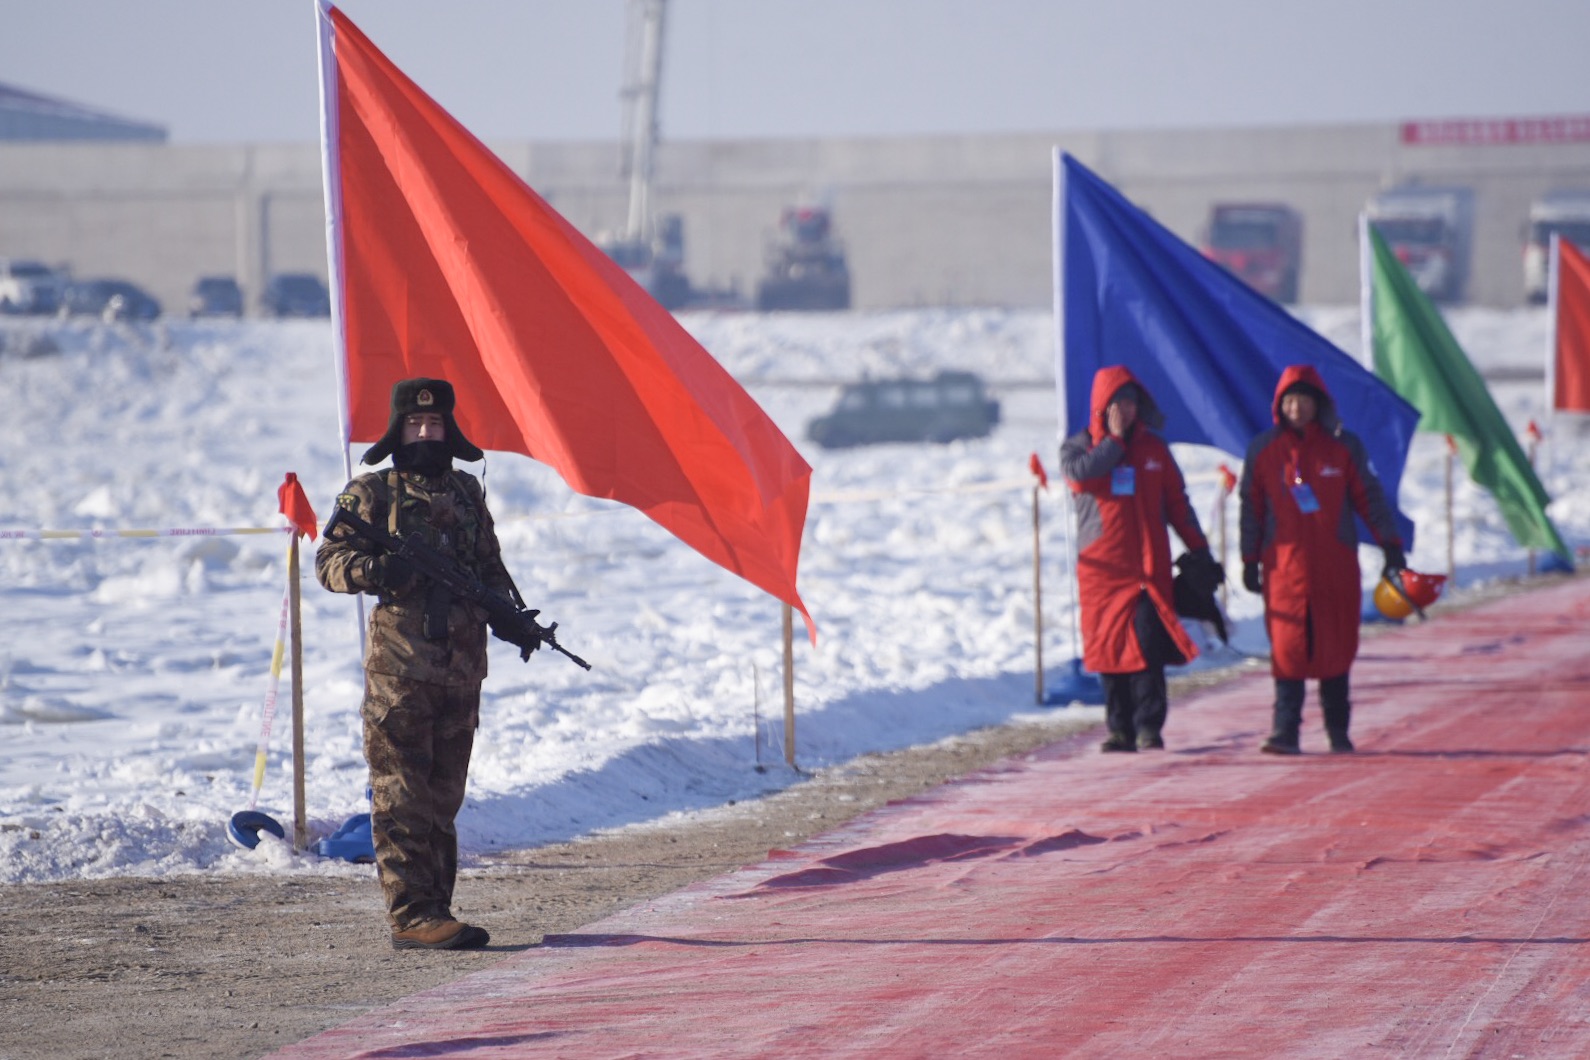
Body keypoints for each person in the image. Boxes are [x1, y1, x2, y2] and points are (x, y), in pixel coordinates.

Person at [317, 377, 524, 951]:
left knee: (442, 799)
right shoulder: (371, 493)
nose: (426, 433)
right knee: (401, 796)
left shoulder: (466, 491)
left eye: (435, 424)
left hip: (462, 670)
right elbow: (329, 561)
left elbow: (488, 566)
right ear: (397, 429)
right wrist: (376, 571)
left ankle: (437, 910)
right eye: (415, 424)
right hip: (400, 671)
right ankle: (412, 916)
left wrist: (510, 616)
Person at [1238, 365, 1405, 755]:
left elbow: (1370, 498)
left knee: (1335, 647)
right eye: (1290, 401)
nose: (1297, 408)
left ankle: (1338, 731)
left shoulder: (1343, 448)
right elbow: (1251, 509)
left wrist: (1391, 544)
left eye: (1304, 400)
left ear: (1319, 404)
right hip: (1284, 570)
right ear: (1280, 405)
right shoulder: (1264, 450)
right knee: (1288, 649)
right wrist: (1249, 558)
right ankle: (1285, 731)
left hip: (1335, 567)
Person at [1061, 366, 1220, 752]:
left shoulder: (1154, 450)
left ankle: (1149, 726)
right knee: (1108, 650)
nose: (1126, 410)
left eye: (1131, 403)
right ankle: (1120, 729)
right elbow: (1081, 477)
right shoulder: (1078, 448)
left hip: (1148, 571)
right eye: (1117, 403)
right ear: (1102, 406)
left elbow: (1177, 502)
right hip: (1102, 573)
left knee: (1148, 646)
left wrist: (1199, 548)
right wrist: (1114, 442)